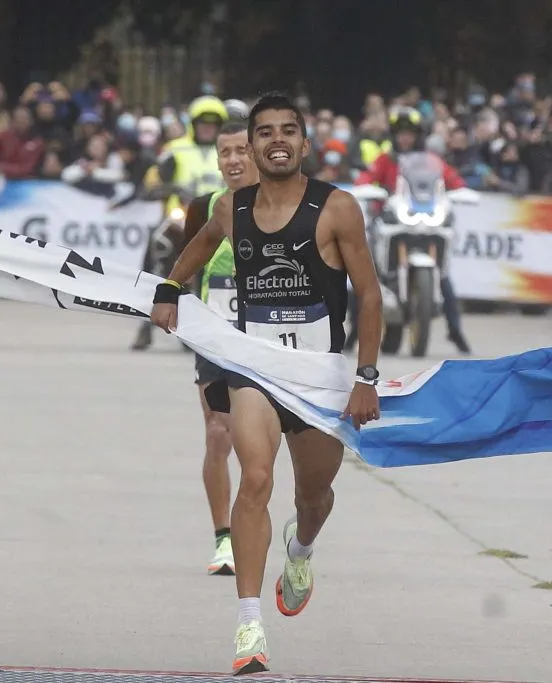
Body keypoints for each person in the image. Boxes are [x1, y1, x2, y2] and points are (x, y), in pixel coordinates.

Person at [149, 92, 383, 675]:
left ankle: (300, 549)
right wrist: (167, 290)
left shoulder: (338, 208)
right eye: (265, 133)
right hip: (255, 370)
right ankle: (249, 624)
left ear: (304, 143)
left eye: (288, 131)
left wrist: (366, 378)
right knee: (255, 476)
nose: (276, 140)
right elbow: (196, 249)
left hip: (321, 377)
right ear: (250, 146)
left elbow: (371, 295)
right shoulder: (232, 208)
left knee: (313, 496)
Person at [181, 120, 260, 577]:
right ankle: (224, 540)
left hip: (267, 339)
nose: (232, 160)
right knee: (217, 432)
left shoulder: (280, 206)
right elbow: (186, 264)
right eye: (224, 152)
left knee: (267, 443)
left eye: (240, 151)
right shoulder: (205, 207)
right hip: (215, 340)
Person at [353, 106, 472, 355]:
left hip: (422, 222)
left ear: (418, 135)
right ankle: (354, 330)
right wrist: (369, 190)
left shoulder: (432, 162)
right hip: (390, 222)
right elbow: (366, 178)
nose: (405, 137)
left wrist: (460, 191)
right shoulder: (386, 160)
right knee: (364, 274)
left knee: (443, 275)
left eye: (410, 133)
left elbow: (454, 180)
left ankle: (456, 329)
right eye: (401, 133)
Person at [131, 95, 230, 351]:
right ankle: (145, 323)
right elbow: (151, 184)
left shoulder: (231, 149)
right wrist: (168, 187)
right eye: (203, 122)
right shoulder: (175, 149)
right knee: (157, 248)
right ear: (193, 124)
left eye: (213, 123)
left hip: (222, 222)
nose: (208, 128)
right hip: (182, 220)